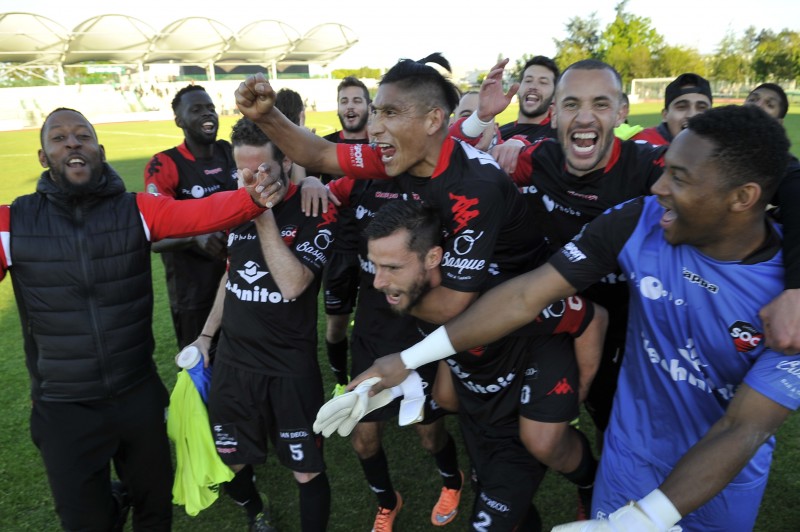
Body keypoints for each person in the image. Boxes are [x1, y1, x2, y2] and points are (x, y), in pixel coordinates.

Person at [354, 105, 799, 531]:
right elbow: (525, 296)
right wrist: (410, 359)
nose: (660, 186)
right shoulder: (638, 221)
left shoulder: (790, 302)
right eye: (665, 169)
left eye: (679, 177)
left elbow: (744, 427)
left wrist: (646, 520)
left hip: (720, 483)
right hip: (626, 461)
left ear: (743, 197)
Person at [236, 52, 601, 519]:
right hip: (468, 315)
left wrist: (385, 288)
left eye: (389, 113)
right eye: (375, 113)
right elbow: (319, 153)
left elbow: (452, 305)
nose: (374, 127)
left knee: (542, 442)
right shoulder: (397, 158)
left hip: (521, 318)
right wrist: (267, 115)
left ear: (433, 120)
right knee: (466, 420)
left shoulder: (476, 186)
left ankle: (588, 480)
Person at [0, 108, 276, 531]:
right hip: (64, 407)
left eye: (83, 136)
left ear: (100, 151)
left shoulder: (137, 211)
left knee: (155, 513)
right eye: (59, 138)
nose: (73, 143)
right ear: (42, 156)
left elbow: (199, 214)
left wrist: (253, 197)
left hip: (137, 395)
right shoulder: (12, 222)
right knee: (84, 522)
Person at [361, 200, 605, 531]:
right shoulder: (409, 292)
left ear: (433, 258)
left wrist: (581, 387)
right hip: (483, 402)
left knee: (542, 444)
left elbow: (591, 316)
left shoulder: (494, 297)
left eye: (392, 267)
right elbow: (445, 350)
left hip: (533, 376)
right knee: (448, 401)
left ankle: (590, 484)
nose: (378, 282)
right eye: (374, 266)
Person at [191, 117, 337, 532]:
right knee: (232, 456)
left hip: (289, 369)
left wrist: (262, 215)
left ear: (287, 161)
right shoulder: (236, 203)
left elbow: (294, 285)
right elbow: (231, 274)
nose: (252, 180)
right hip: (235, 363)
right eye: (243, 171)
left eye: (262, 170)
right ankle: (256, 512)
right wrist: (205, 336)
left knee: (305, 469)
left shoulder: (315, 209)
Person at [324, 175, 464, 530]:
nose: (378, 279)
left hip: (421, 340)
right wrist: (310, 182)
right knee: (363, 438)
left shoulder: (438, 189)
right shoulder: (355, 185)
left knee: (429, 434)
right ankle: (388, 501)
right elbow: (320, 174)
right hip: (371, 338)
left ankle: (452, 481)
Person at [144, 84, 238, 348]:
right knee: (200, 366)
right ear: (180, 120)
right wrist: (196, 236)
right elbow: (153, 237)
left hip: (242, 279)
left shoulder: (229, 152)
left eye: (210, 108)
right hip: (194, 291)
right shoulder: (164, 164)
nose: (207, 114)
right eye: (196, 110)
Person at [319, 76, 371, 395]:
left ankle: (371, 376)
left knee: (371, 322)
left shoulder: (380, 146)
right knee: (336, 325)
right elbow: (301, 189)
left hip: (375, 252)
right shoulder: (322, 147)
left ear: (368, 106)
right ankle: (341, 378)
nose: (350, 107)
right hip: (337, 251)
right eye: (344, 101)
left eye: (356, 100)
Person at [744, 83, 800, 357]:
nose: (757, 104)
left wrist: (797, 290)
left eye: (769, 103)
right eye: (753, 99)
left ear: (777, 122)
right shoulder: (708, 148)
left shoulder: (784, 169)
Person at [631, 73, 712, 146]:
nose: (692, 115)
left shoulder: (721, 146)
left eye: (702, 108)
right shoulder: (641, 147)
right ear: (665, 115)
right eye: (682, 107)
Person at [498, 55, 558, 143]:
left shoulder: (559, 137)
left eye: (543, 82)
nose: (533, 87)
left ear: (554, 95)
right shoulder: (498, 134)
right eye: (528, 80)